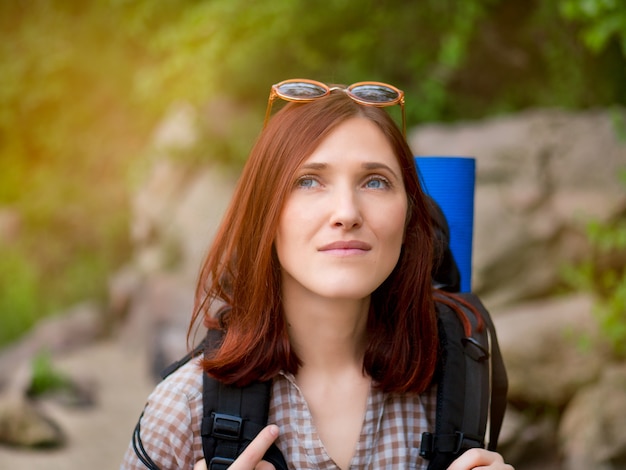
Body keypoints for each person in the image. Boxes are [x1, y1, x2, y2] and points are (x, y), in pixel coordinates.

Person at [121, 79, 514, 470]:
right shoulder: (184, 410)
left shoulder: (453, 390)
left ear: (411, 217)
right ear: (265, 215)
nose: (346, 213)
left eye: (375, 181)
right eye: (308, 181)